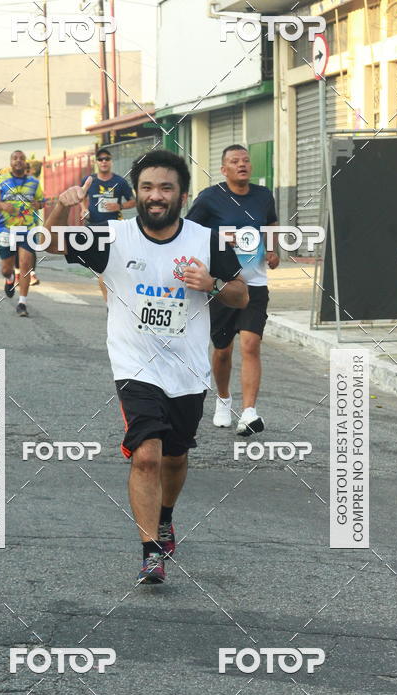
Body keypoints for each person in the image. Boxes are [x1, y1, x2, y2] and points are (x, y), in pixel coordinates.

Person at [46, 149, 248, 584]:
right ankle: (150, 551)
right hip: (134, 363)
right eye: (148, 188)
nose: (156, 196)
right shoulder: (114, 237)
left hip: (188, 368)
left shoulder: (206, 239)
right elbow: (52, 243)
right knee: (147, 456)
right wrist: (62, 207)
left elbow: (240, 295)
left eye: (166, 188)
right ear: (134, 194)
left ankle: (165, 517)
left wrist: (211, 284)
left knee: (175, 457)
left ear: (182, 194)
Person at [186, 144, 279, 436]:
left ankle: (249, 411)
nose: (242, 165)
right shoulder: (210, 198)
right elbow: (189, 231)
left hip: (255, 284)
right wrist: (218, 242)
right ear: (223, 169)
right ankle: (224, 399)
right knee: (223, 351)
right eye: (235, 161)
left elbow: (272, 224)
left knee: (251, 344)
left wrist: (274, 249)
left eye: (246, 160)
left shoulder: (263, 196)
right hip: (222, 285)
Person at [0, 150, 44, 317]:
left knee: (26, 264)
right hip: (6, 228)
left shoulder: (34, 183)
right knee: (6, 268)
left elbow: (42, 202)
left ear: (25, 162)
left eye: (21, 158)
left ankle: (22, 303)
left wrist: (38, 204)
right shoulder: (1, 181)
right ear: (10, 162)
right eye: (15, 158)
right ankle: (9, 278)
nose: (18, 161)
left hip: (27, 228)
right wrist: (1, 205)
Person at [80, 147, 136, 301]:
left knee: (112, 265)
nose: (104, 161)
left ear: (111, 162)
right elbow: (81, 197)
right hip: (94, 226)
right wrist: (84, 209)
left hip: (115, 227)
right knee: (103, 269)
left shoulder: (120, 181)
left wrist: (120, 206)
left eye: (107, 159)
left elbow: (133, 201)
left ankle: (115, 300)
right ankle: (109, 303)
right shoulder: (88, 180)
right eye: (100, 159)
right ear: (97, 162)